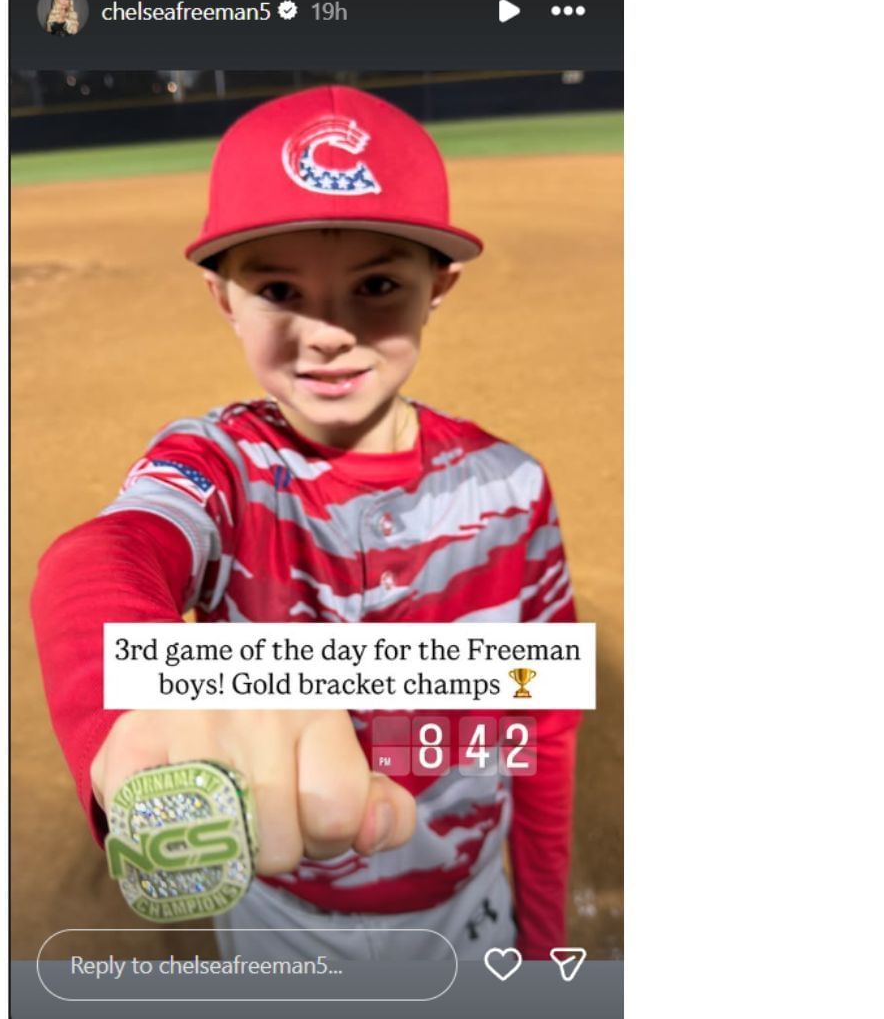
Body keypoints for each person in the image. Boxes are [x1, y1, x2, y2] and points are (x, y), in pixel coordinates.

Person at [30, 85, 580, 963]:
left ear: (438, 287)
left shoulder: (512, 487)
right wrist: (133, 691)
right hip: (285, 918)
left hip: (472, 907)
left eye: (377, 285)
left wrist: (546, 942)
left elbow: (542, 725)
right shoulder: (223, 467)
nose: (326, 332)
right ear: (224, 298)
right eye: (280, 287)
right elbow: (111, 552)